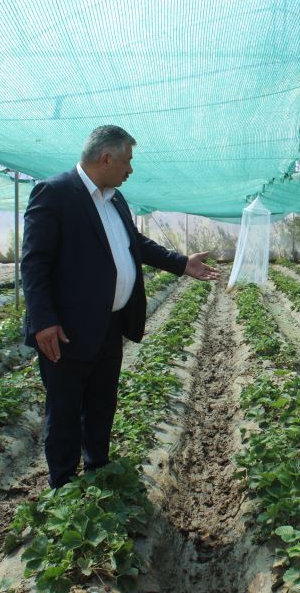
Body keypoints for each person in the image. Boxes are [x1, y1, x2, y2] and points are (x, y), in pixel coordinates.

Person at [21, 125, 220, 488]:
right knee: (65, 410)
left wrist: (181, 263)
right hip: (66, 330)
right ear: (106, 157)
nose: (130, 169)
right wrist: (43, 321)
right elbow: (34, 262)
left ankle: (98, 471)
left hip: (108, 324)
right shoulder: (56, 192)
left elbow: (134, 243)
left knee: (101, 404)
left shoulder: (114, 198)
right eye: (127, 160)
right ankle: (63, 485)